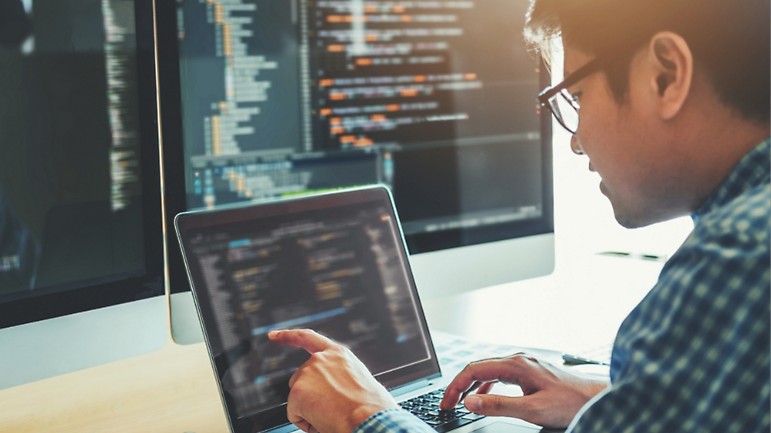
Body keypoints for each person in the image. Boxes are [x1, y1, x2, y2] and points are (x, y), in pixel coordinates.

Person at [269, 0, 770, 431]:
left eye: (577, 98)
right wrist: (611, 400)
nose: (576, 142)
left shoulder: (739, 257)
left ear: (666, 74)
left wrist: (362, 413)